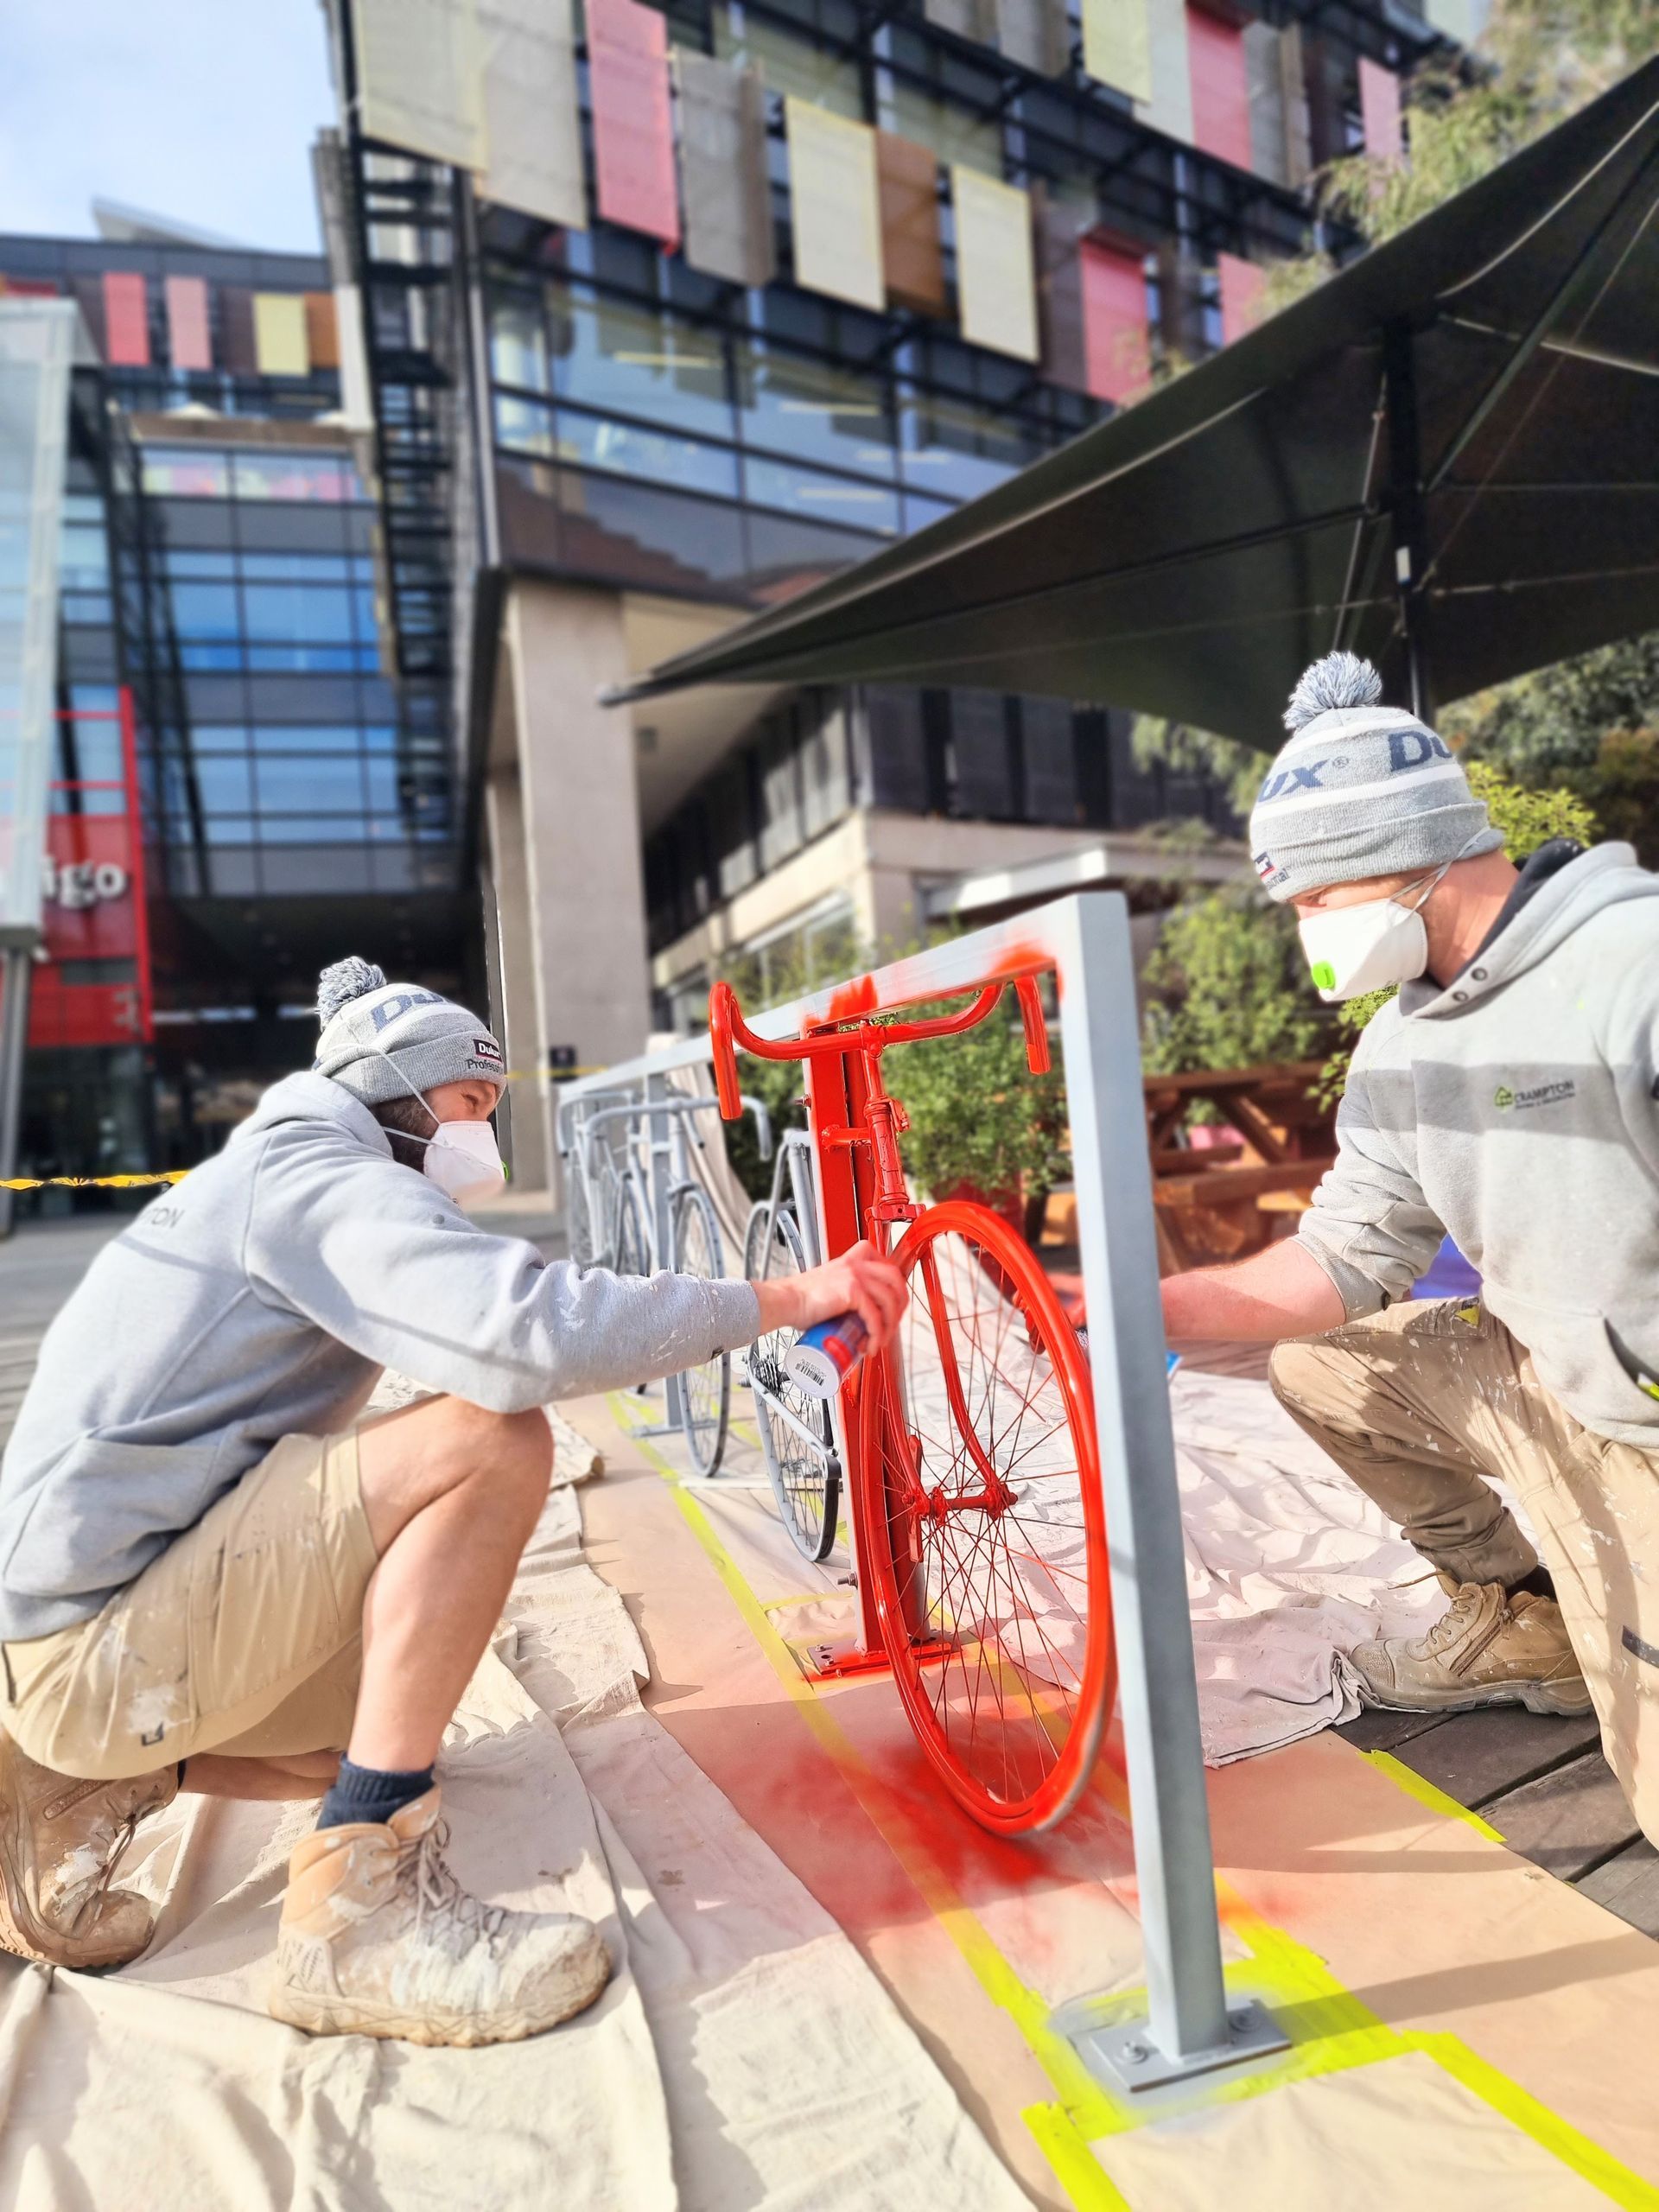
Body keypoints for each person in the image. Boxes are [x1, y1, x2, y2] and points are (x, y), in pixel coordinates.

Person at [0, 957, 905, 2047]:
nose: (481, 1138)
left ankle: (78, 1769)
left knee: (394, 1708)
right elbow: (527, 1336)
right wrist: (788, 1296)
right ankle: (356, 1923)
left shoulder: (276, 1170)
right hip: (95, 1645)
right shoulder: (316, 1174)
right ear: (405, 1090)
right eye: (473, 1105)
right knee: (489, 1437)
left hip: (73, 1628)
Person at [1164, 652, 1659, 1838]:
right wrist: (1145, 1303)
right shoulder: (1402, 1047)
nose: (1304, 938)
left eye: (1309, 905)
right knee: (1321, 1366)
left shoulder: (1629, 966)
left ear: (1393, 862)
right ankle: (1523, 1617)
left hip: (1647, 1422)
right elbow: (1337, 1266)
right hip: (1541, 1375)